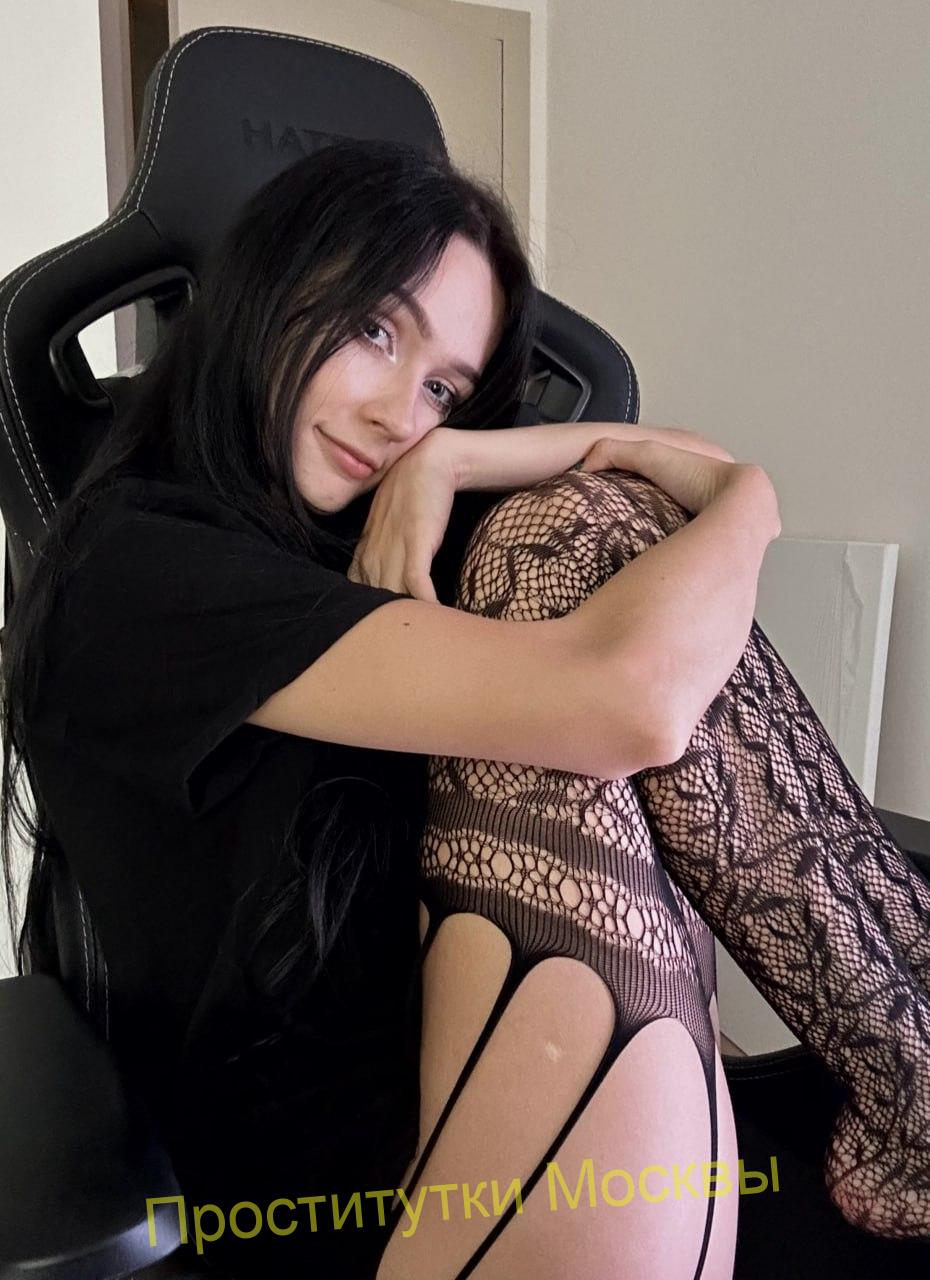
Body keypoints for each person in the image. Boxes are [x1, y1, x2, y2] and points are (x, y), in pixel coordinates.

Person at [1, 137, 927, 1280]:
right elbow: (630, 702)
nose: (402, 414)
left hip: (511, 1105)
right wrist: (754, 497)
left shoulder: (372, 545)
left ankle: (916, 1085)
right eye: (372, 330)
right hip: (338, 1210)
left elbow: (675, 472)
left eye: (444, 387)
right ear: (260, 293)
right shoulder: (135, 570)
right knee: (568, 546)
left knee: (589, 531)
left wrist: (454, 464)